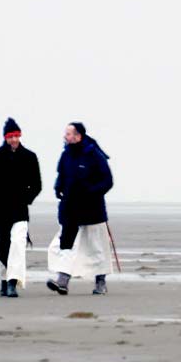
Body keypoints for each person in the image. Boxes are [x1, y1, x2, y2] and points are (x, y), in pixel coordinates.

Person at [47, 122, 114, 296]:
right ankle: (62, 280)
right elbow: (61, 175)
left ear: (78, 136)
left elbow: (107, 181)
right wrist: (58, 187)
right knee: (66, 245)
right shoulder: (66, 155)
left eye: (68, 134)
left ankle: (101, 282)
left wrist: (92, 192)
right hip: (70, 209)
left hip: (92, 210)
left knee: (97, 247)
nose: (65, 136)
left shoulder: (94, 155)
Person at [0, 117, 41, 297]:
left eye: (16, 136)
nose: (14, 139)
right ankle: (5, 278)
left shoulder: (29, 157)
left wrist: (27, 198)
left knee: (18, 244)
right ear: (5, 137)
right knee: (1, 245)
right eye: (10, 136)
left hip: (20, 210)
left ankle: (13, 283)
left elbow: (36, 184)